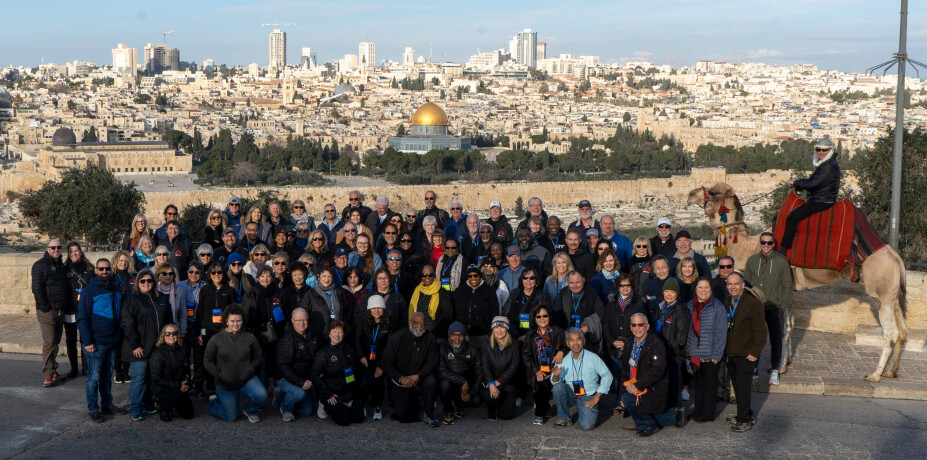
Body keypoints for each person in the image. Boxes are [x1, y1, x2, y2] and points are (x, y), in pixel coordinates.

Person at [77, 257, 128, 423]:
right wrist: (87, 341)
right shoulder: (89, 291)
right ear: (96, 271)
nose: (104, 271)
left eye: (107, 269)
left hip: (112, 340)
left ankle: (107, 404)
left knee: (106, 375)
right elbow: (82, 318)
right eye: (101, 269)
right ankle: (93, 408)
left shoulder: (116, 288)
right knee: (93, 377)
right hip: (96, 342)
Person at [122, 268, 173, 421]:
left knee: (151, 376)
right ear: (138, 283)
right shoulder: (133, 299)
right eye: (142, 281)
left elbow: (169, 322)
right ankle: (135, 408)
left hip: (157, 346)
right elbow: (127, 324)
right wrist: (135, 344)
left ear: (154, 282)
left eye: (149, 280)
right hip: (139, 347)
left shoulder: (162, 298)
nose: (146, 283)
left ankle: (148, 403)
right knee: (140, 377)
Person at [744, 232, 793, 386]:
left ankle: (775, 370)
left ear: (773, 244)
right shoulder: (752, 261)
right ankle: (754, 368)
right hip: (756, 306)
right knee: (755, 338)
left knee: (775, 339)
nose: (766, 245)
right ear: (760, 243)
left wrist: (784, 304)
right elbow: (747, 284)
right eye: (763, 242)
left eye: (769, 243)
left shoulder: (781, 261)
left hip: (774, 306)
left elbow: (787, 284)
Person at [204, 305, 266, 423]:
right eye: (232, 321)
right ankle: (214, 402)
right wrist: (219, 375)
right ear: (226, 321)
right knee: (230, 417)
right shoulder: (216, 339)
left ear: (243, 321)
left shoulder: (250, 337)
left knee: (262, 394)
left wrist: (250, 369)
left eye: (239, 321)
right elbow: (207, 360)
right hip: (225, 382)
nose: (235, 324)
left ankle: (250, 409)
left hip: (246, 378)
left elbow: (258, 356)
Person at [781, 138, 842, 255]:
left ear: (830, 150)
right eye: (818, 149)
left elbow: (813, 184)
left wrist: (796, 182)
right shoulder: (826, 164)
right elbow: (813, 181)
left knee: (792, 217)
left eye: (824, 150)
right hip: (822, 198)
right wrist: (798, 182)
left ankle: (783, 251)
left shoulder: (828, 166)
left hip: (821, 201)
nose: (821, 152)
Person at [724, 272, 767, 432]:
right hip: (732, 352)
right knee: (737, 386)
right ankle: (745, 413)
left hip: (746, 353)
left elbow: (761, 331)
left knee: (743, 387)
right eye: (730, 284)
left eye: (736, 284)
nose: (733, 287)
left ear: (743, 285)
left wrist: (755, 351)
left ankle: (744, 420)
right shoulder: (728, 300)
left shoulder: (752, 303)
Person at [382, 312, 440, 427]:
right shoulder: (397, 338)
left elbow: (432, 362)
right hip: (401, 378)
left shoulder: (430, 337)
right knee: (402, 414)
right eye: (416, 323)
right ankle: (413, 401)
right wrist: (401, 378)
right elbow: (386, 363)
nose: (420, 326)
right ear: (410, 323)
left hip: (420, 376)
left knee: (431, 381)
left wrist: (419, 375)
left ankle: (429, 414)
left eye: (422, 323)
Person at [620, 313, 673, 437]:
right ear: (630, 327)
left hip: (652, 385)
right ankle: (659, 418)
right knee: (625, 398)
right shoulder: (629, 342)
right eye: (634, 325)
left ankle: (648, 424)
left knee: (629, 399)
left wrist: (637, 385)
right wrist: (622, 392)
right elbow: (625, 370)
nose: (637, 328)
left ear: (647, 326)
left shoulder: (656, 343)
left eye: (640, 325)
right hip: (635, 383)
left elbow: (657, 370)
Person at [551, 328, 613, 430]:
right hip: (572, 394)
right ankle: (564, 417)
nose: (575, 343)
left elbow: (607, 375)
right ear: (567, 343)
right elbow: (554, 382)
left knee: (586, 425)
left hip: (588, 396)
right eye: (571, 340)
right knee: (558, 388)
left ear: (583, 341)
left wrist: (597, 396)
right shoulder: (565, 360)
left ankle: (585, 410)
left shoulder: (593, 357)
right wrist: (557, 375)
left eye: (578, 339)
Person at [686, 277, 727, 423]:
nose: (703, 291)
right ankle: (698, 411)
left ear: (711, 289)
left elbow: (721, 333)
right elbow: (689, 331)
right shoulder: (690, 306)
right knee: (698, 386)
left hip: (710, 354)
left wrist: (717, 354)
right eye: (700, 287)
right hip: (694, 353)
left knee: (710, 386)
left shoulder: (718, 307)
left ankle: (708, 414)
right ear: (696, 289)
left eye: (706, 288)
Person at [603, 273, 648, 405]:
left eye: (628, 285)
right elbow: (605, 324)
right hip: (614, 347)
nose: (625, 288)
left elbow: (642, 326)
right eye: (622, 285)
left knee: (631, 376)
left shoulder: (638, 303)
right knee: (618, 376)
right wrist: (612, 341)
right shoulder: (611, 303)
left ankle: (630, 402)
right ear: (618, 287)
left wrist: (627, 342)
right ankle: (619, 402)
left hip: (632, 346)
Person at [310, 320, 365, 425]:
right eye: (334, 331)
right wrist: (327, 394)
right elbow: (314, 376)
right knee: (344, 421)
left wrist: (354, 390)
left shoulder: (349, 349)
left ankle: (346, 407)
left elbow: (355, 370)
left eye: (340, 332)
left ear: (344, 334)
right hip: (333, 395)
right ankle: (323, 404)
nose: (337, 335)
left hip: (349, 394)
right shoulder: (323, 353)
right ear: (329, 333)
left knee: (359, 418)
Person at [193, 264, 237, 395]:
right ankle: (209, 387)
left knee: (222, 359)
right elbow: (200, 312)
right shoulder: (205, 290)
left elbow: (234, 311)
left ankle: (222, 387)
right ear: (209, 275)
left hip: (224, 330)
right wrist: (199, 332)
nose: (216, 275)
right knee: (208, 359)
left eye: (219, 272)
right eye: (213, 273)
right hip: (208, 329)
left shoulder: (229, 290)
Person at [32, 239, 70, 387]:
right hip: (47, 311)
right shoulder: (40, 265)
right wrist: (45, 307)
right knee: (49, 342)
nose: (56, 250)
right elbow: (37, 288)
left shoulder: (60, 265)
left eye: (59, 247)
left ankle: (53, 369)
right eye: (53, 247)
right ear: (48, 249)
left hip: (60, 310)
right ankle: (48, 374)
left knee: (55, 342)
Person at [521, 307, 566, 425]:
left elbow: (567, 346)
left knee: (545, 386)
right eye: (538, 316)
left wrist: (561, 351)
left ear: (549, 317)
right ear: (534, 319)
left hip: (554, 369)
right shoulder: (530, 335)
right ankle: (540, 413)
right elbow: (526, 356)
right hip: (536, 369)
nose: (542, 319)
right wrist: (536, 371)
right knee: (539, 386)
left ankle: (543, 410)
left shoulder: (558, 332)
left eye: (545, 316)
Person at [653, 278, 690, 420]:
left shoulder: (681, 310)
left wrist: (664, 349)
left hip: (673, 354)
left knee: (674, 383)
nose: (669, 294)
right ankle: (665, 411)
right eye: (667, 291)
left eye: (672, 292)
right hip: (660, 353)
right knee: (662, 384)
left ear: (677, 294)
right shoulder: (660, 307)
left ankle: (677, 414)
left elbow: (681, 338)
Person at [275, 308, 321, 422]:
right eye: (298, 320)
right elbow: (283, 367)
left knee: (307, 411)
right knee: (298, 393)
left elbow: (318, 356)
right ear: (292, 321)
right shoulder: (287, 340)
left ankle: (286, 396)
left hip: (305, 377)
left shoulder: (313, 335)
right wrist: (301, 382)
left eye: (304, 319)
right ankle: (285, 407)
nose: (302, 323)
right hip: (285, 377)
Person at [438, 321, 483, 425]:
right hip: (451, 383)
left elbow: (479, 373)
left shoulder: (473, 348)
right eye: (454, 335)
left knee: (477, 401)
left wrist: (471, 394)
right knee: (444, 385)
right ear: (449, 335)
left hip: (467, 385)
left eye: (460, 335)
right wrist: (462, 381)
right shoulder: (442, 347)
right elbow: (441, 371)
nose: (457, 338)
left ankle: (459, 405)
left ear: (464, 335)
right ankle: (449, 411)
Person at [355, 295, 390, 421]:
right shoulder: (362, 321)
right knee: (367, 382)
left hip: (381, 358)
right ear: (369, 309)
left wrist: (381, 365)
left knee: (379, 382)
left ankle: (378, 407)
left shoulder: (388, 323)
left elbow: (389, 346)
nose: (376, 311)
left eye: (379, 308)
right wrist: (361, 356)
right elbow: (357, 340)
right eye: (373, 308)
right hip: (365, 357)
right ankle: (362, 403)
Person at [149, 324, 194, 421]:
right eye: (168, 334)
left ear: (177, 335)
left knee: (188, 414)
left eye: (174, 333)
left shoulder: (183, 350)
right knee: (174, 395)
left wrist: (186, 383)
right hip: (162, 386)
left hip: (179, 385)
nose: (171, 336)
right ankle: (164, 408)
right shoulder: (158, 354)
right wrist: (178, 385)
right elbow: (156, 378)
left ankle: (175, 403)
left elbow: (187, 369)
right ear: (163, 336)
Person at [552, 271, 604, 352]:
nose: (574, 286)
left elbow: (601, 313)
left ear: (584, 280)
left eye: (577, 282)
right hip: (567, 339)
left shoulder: (592, 293)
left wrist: (588, 327)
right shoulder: (563, 293)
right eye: (571, 283)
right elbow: (556, 317)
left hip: (586, 339)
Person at [480, 317, 521, 421]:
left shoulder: (514, 344)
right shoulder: (486, 344)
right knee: (489, 396)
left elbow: (514, 367)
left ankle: (504, 403)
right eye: (496, 327)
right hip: (492, 382)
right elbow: (485, 366)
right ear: (493, 329)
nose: (499, 330)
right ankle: (492, 410)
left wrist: (500, 381)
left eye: (502, 327)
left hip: (508, 383)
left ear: (507, 329)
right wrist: (491, 383)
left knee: (507, 416)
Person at [452, 264, 500, 346]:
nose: (473, 278)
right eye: (470, 276)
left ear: (480, 276)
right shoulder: (459, 291)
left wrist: (490, 332)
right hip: (462, 334)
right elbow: (453, 312)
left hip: (482, 335)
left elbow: (494, 312)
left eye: (476, 275)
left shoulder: (489, 291)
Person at [64, 242, 92, 378]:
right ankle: (74, 368)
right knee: (71, 340)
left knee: (85, 339)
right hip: (70, 309)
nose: (74, 254)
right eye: (71, 251)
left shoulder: (90, 269)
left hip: (85, 310)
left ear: (80, 252)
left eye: (76, 251)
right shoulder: (64, 269)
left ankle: (86, 367)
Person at [503, 268, 549, 340]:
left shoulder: (541, 297)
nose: (528, 280)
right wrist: (517, 336)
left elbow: (545, 320)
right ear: (522, 280)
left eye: (532, 278)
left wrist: (528, 336)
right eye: (525, 277)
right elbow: (506, 315)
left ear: (536, 280)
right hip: (513, 336)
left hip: (534, 338)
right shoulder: (514, 294)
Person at [307, 267, 353, 339]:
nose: (327, 279)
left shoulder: (339, 293)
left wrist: (345, 327)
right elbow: (305, 314)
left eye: (329, 276)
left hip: (338, 334)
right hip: (320, 335)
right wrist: (313, 330)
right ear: (318, 277)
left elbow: (348, 311)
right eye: (324, 276)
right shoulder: (311, 294)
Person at [408, 265, 453, 336]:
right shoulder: (416, 290)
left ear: (434, 276)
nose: (427, 277)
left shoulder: (442, 292)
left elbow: (447, 314)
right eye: (424, 275)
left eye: (430, 275)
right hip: (416, 332)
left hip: (434, 333)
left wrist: (436, 330)